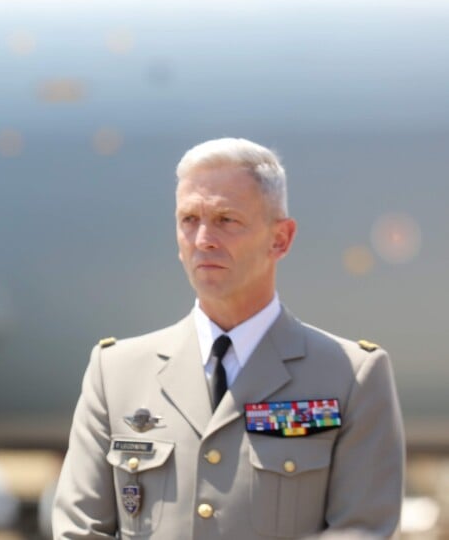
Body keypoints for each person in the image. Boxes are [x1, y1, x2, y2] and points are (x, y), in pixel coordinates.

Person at [52, 138, 404, 539]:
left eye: (226, 219)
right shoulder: (115, 373)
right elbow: (79, 530)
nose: (203, 239)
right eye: (189, 219)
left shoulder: (351, 377)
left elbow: (362, 529)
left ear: (281, 239)